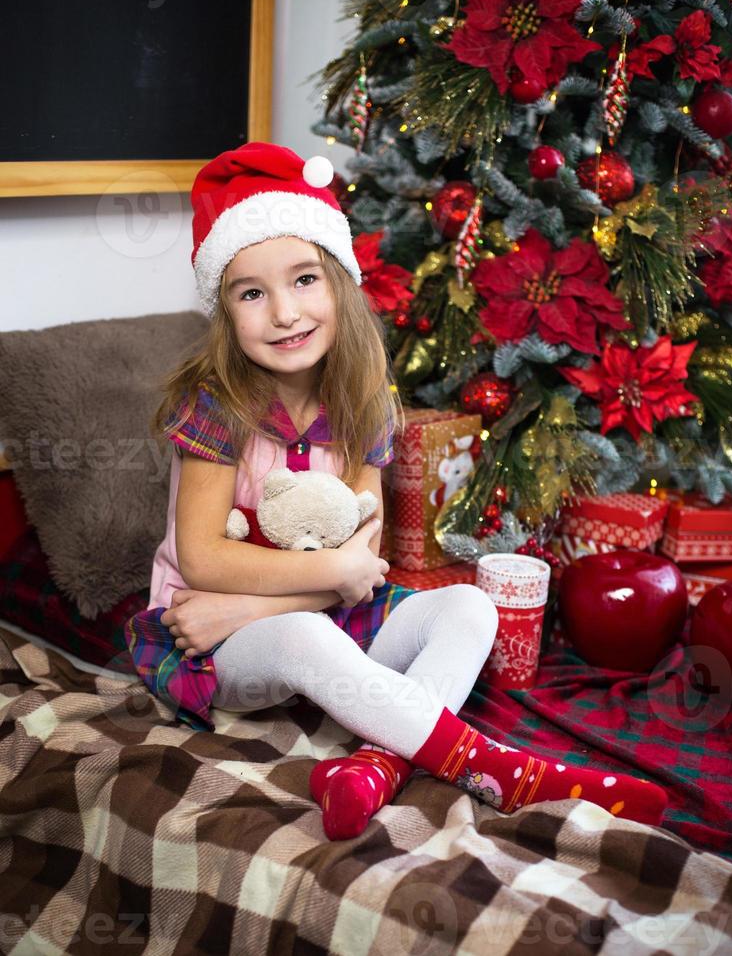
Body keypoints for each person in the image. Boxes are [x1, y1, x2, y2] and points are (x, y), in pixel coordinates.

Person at [125, 141, 668, 841]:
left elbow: (361, 562)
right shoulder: (216, 405)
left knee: (470, 607)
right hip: (205, 641)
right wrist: (244, 612)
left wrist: (244, 605)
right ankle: (490, 766)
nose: (284, 312)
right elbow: (203, 561)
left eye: (304, 280)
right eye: (252, 292)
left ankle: (375, 764)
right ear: (224, 312)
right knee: (301, 635)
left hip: (262, 614)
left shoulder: (360, 401)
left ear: (341, 285)